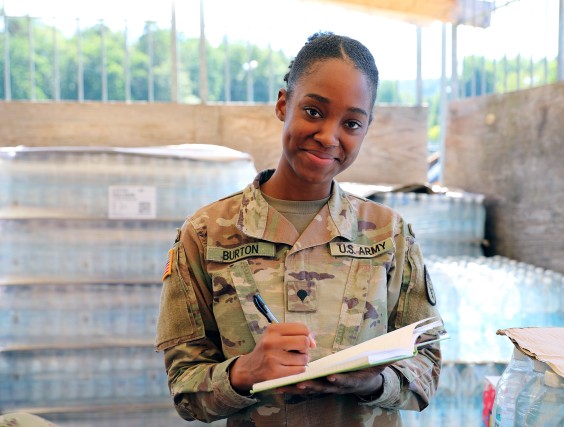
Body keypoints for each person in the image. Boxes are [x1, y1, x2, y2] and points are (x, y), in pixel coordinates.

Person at [155, 31, 443, 426]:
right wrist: (245, 372)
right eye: (313, 111)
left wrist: (373, 382)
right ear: (283, 103)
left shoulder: (388, 234)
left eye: (352, 123)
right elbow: (186, 391)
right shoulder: (207, 234)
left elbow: (427, 364)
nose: (328, 136)